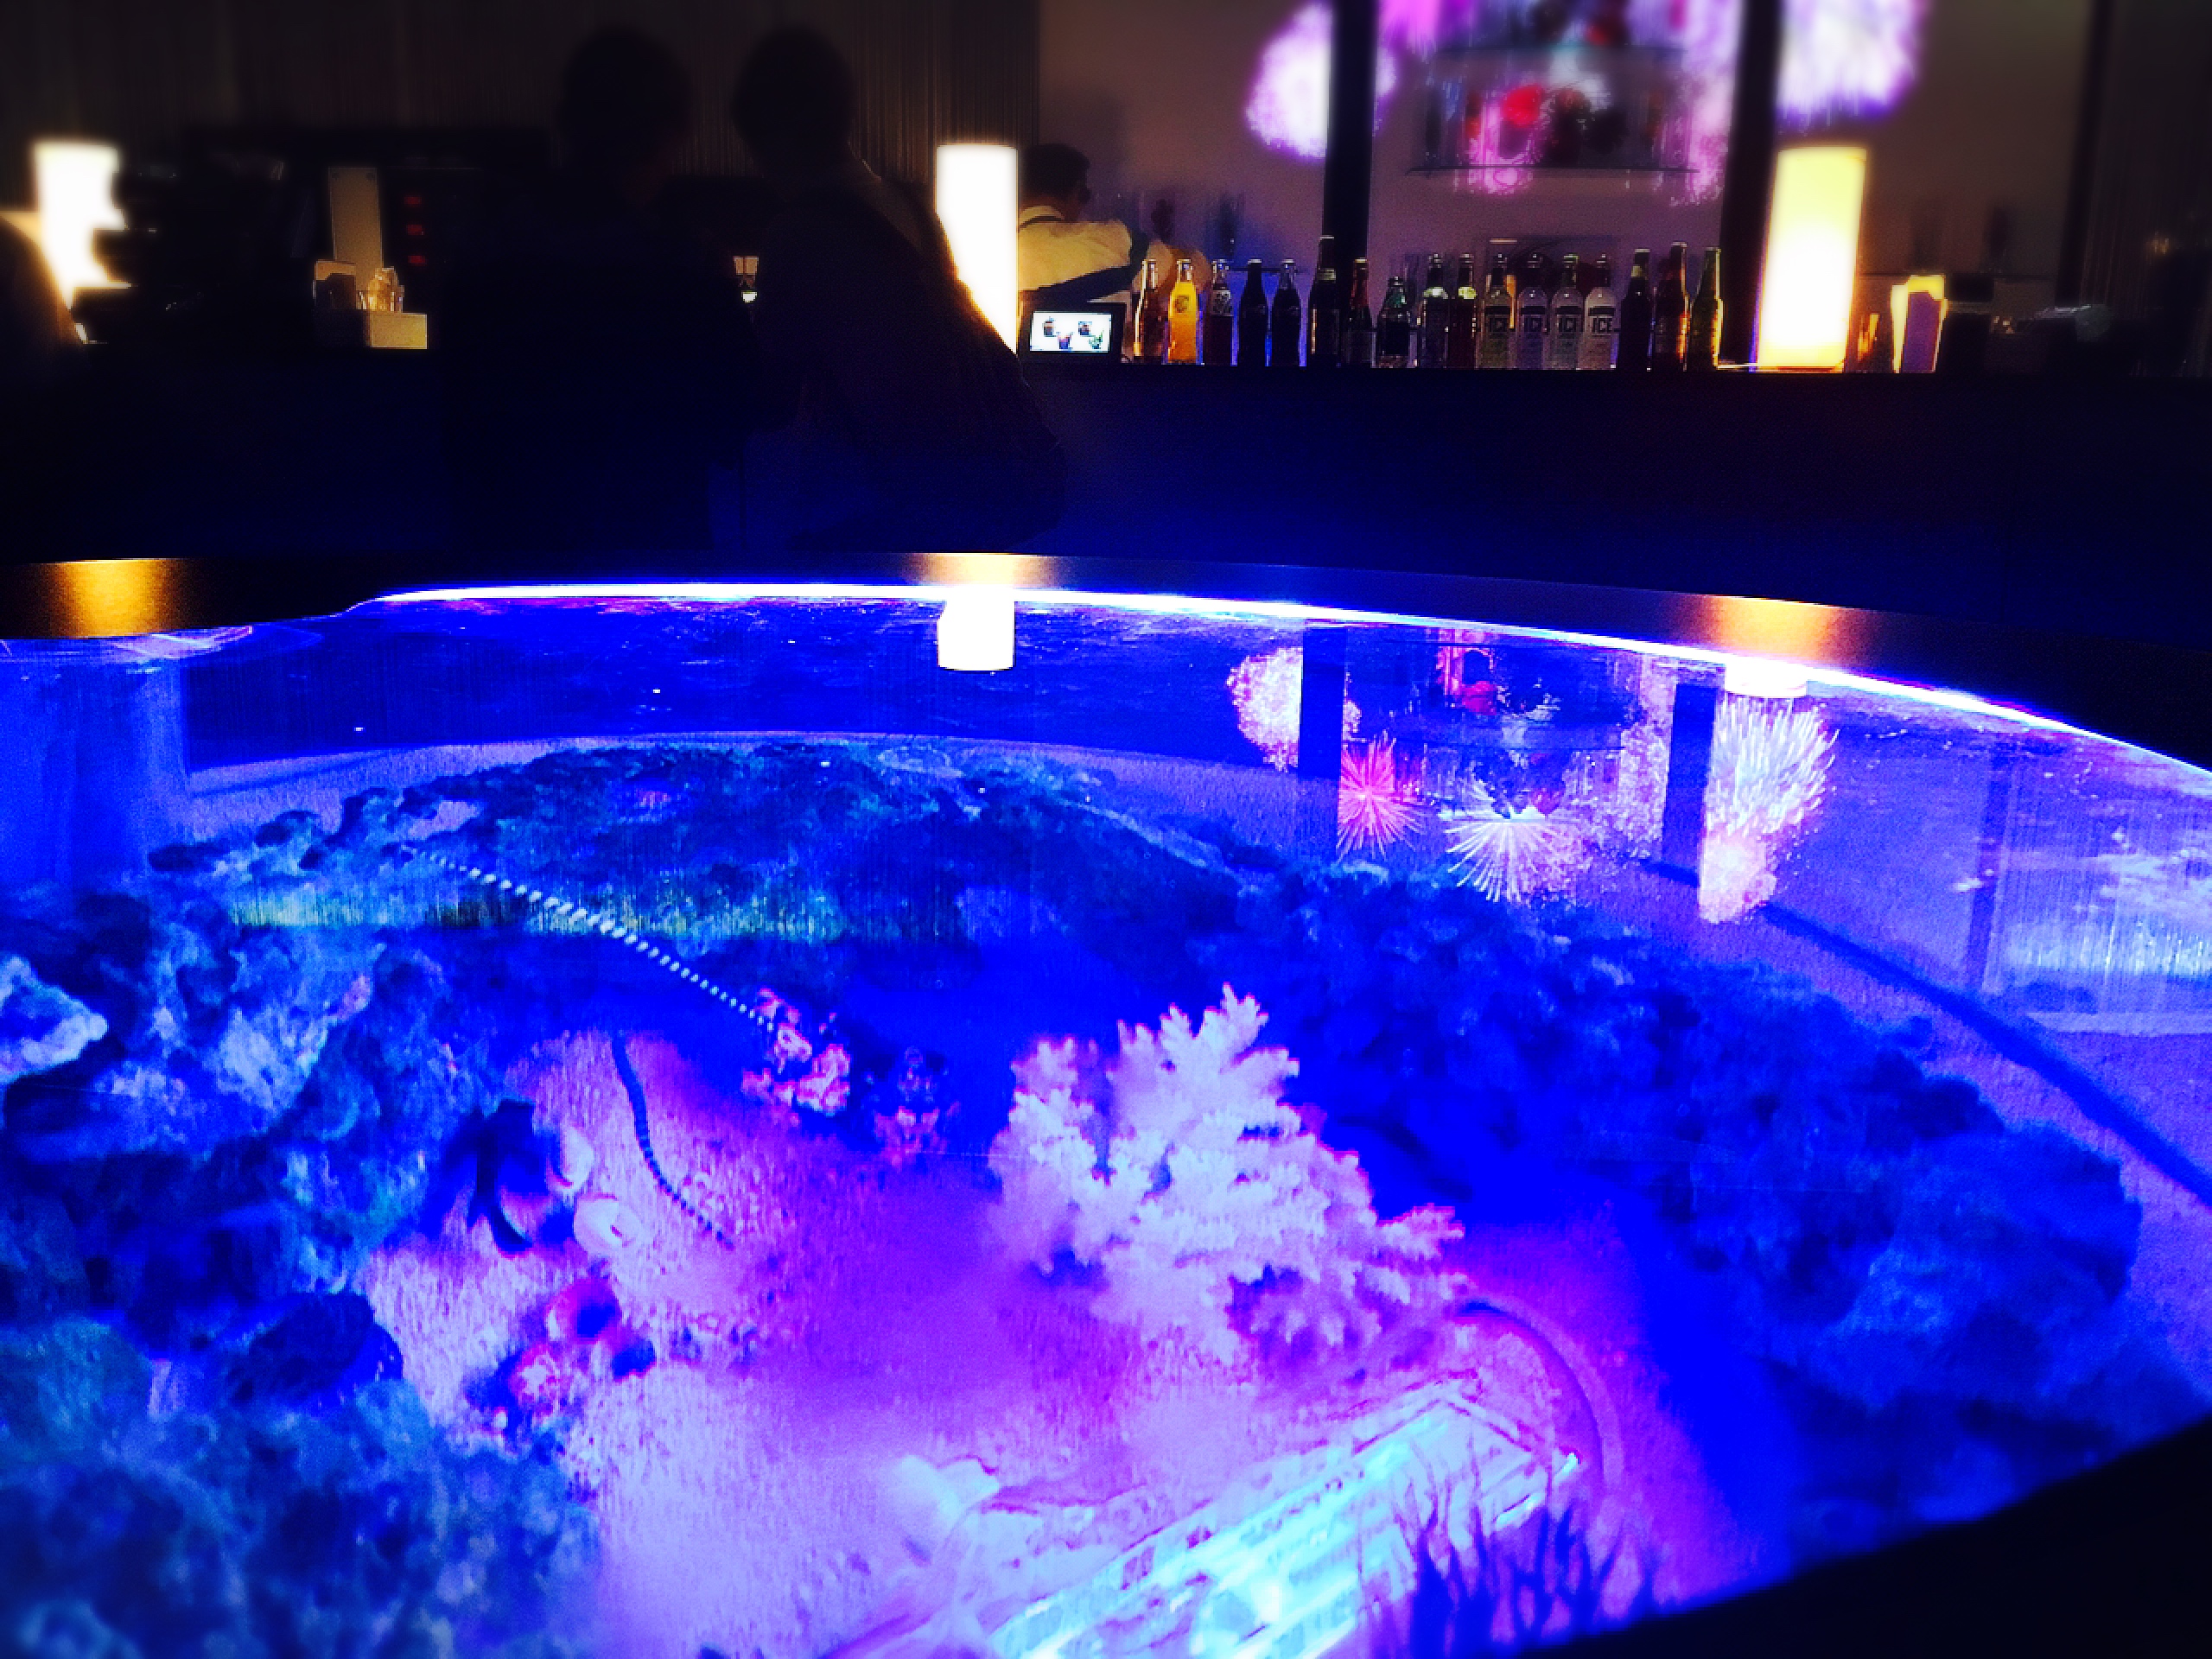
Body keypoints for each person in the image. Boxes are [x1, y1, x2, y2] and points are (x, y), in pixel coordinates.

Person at [733, 26, 1063, 552]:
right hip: (959, 479)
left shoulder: (800, 231)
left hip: (873, 500)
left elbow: (769, 394)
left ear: (775, 138)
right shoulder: (912, 206)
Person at [442, 26, 754, 556]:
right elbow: (734, 416)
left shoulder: (487, 251)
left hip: (510, 543)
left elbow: (459, 417)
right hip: (652, 545)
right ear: (668, 135)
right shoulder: (687, 266)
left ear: (568, 122)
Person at [1018, 144, 1208, 339]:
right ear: (1077, 191)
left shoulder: (998, 249)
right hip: (1110, 358)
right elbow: (1196, 269)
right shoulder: (1117, 240)